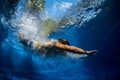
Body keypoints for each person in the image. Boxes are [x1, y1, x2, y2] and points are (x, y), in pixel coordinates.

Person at [19, 32, 97, 57]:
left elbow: (72, 55)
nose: (64, 49)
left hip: (37, 52)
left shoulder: (61, 51)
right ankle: (20, 31)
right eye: (65, 46)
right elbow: (71, 49)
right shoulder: (55, 44)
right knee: (21, 40)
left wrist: (84, 56)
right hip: (33, 46)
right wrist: (85, 52)